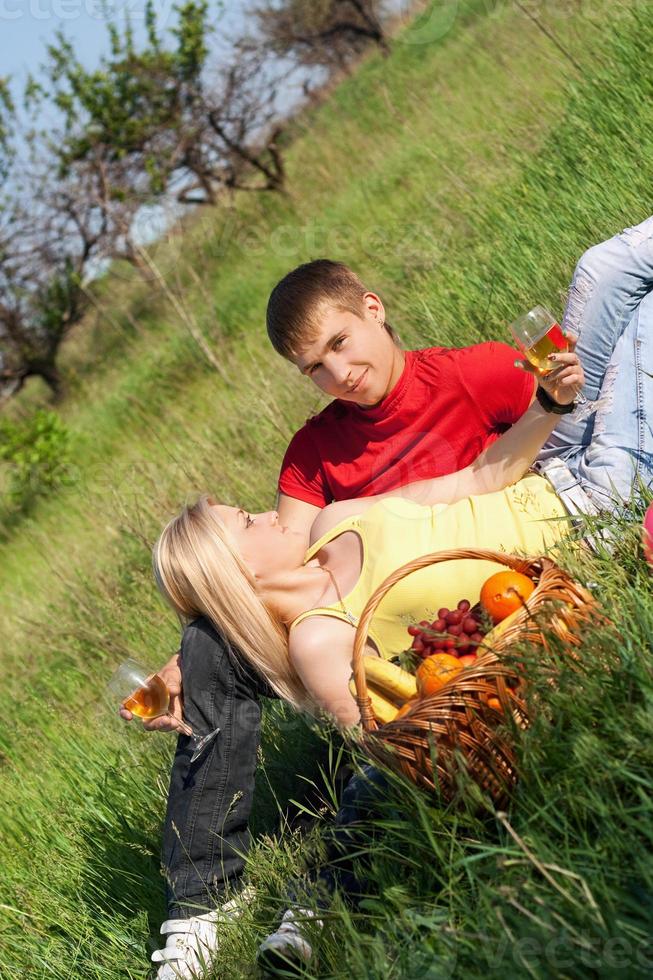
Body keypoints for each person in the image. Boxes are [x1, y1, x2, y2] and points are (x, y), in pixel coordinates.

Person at [129, 214, 653, 977]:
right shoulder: (319, 627)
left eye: (338, 346)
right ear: (234, 572)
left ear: (371, 310)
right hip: (581, 518)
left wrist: (547, 406)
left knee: (607, 270)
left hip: (558, 467)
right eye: (245, 521)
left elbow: (477, 478)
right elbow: (393, 739)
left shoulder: (339, 515)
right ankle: (211, 906)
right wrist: (191, 656)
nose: (264, 513)